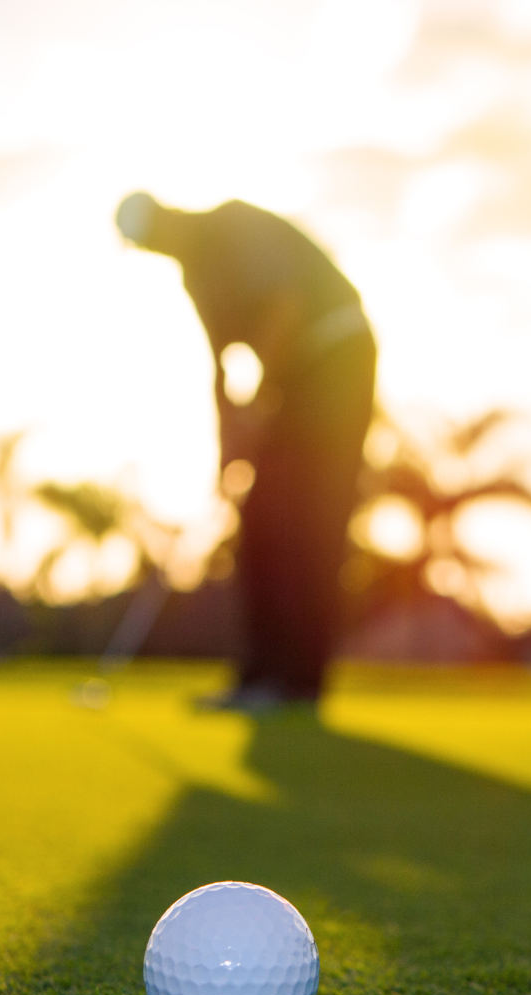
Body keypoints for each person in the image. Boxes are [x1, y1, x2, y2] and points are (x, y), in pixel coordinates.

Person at [115, 192, 376, 710]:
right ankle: (260, 678)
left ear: (167, 218)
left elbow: (284, 305)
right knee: (259, 519)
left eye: (151, 238)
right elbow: (220, 367)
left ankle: (296, 682)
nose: (154, 249)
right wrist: (229, 444)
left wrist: (257, 405)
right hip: (292, 379)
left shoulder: (234, 224)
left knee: (308, 521)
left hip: (337, 357)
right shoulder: (195, 277)